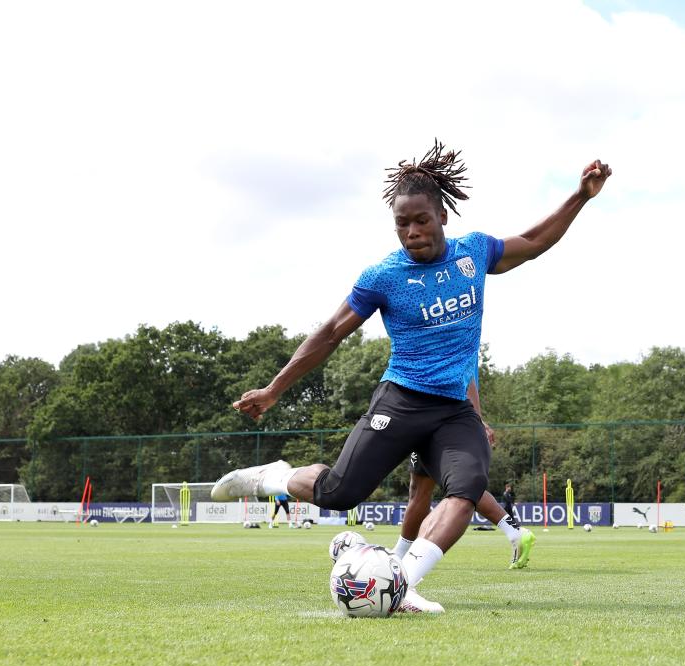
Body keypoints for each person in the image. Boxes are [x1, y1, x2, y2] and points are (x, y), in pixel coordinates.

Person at [212, 140, 612, 613]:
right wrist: (274, 388)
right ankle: (274, 477)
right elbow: (330, 333)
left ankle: (400, 584)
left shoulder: (474, 254)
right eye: (402, 223)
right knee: (341, 494)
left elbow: (536, 241)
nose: (412, 231)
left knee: (465, 490)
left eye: (421, 219)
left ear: (442, 215)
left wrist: (581, 196)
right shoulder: (383, 276)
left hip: (452, 412)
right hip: (400, 400)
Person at [392, 378, 534, 570]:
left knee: (426, 491)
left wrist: (477, 420)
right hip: (444, 420)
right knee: (449, 487)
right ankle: (514, 531)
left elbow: (466, 377)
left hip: (439, 421)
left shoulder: (447, 352)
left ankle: (398, 557)